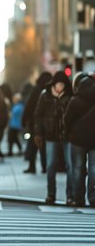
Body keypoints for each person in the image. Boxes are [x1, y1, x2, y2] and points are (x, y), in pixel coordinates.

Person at [34, 71, 74, 205]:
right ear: (54, 84)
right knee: (51, 165)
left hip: (67, 136)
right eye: (58, 84)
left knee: (70, 166)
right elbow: (38, 115)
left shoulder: (69, 96)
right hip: (51, 136)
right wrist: (38, 133)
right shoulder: (45, 96)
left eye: (62, 84)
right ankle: (51, 194)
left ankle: (70, 195)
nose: (60, 87)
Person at [65, 73, 95, 207]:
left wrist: (70, 133)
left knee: (77, 169)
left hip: (77, 141)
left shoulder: (74, 100)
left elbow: (67, 120)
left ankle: (79, 198)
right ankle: (93, 197)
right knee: (94, 170)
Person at [22, 72, 52, 173]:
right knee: (44, 147)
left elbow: (29, 106)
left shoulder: (36, 89)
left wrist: (24, 120)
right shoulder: (50, 90)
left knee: (33, 146)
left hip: (34, 123)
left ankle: (32, 166)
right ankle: (44, 167)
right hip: (48, 123)